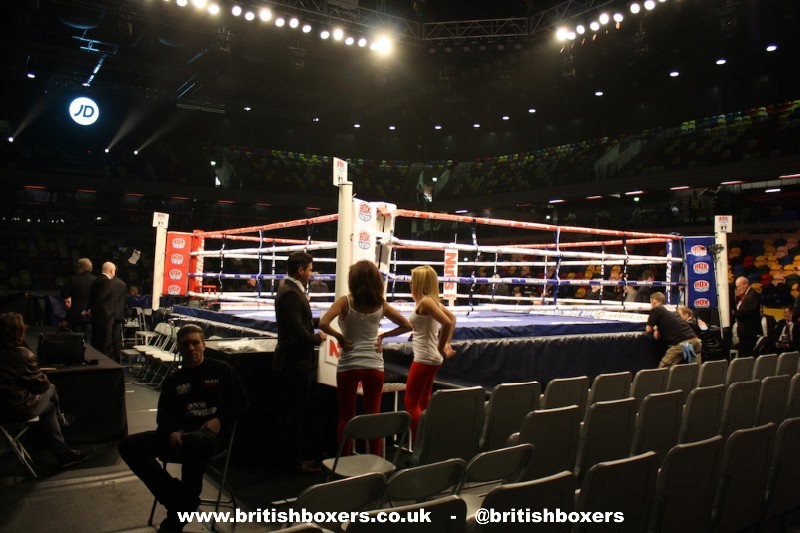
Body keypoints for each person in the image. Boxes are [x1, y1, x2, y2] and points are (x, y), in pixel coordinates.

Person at [119, 324, 248, 533]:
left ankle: (178, 514)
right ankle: (179, 499)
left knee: (196, 442)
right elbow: (164, 414)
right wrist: (170, 432)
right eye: (185, 344)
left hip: (210, 439)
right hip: (180, 438)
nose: (191, 348)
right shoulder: (173, 380)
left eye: (195, 343)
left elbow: (241, 403)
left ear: (204, 345)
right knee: (128, 445)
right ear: (178, 348)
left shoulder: (222, 370)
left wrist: (220, 420)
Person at [318, 260, 412, 455]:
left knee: (346, 417)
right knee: (373, 416)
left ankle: (343, 460)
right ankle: (374, 460)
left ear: (353, 280)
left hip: (349, 364)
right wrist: (383, 336)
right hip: (374, 365)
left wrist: (339, 337)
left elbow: (323, 323)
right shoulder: (380, 304)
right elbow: (407, 325)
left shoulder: (344, 302)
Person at [0, 312, 88, 468]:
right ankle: (62, 423)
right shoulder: (23, 355)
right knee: (51, 388)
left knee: (50, 407)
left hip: (3, 407)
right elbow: (42, 386)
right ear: (19, 331)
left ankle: (62, 449)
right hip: (17, 409)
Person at [272, 252, 327, 474]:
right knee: (295, 414)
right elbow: (296, 328)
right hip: (294, 362)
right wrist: (317, 337)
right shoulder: (291, 293)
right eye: (310, 269)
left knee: (294, 413)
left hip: (294, 361)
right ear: (301, 270)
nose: (312, 274)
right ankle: (293, 463)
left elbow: (299, 322)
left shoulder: (289, 290)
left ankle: (292, 459)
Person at [404, 265, 456, 441]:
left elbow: (447, 323)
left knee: (410, 403)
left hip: (425, 358)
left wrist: (442, 347)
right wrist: (445, 344)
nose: (410, 283)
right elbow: (452, 319)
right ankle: (428, 442)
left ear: (420, 282)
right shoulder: (431, 301)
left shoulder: (426, 301)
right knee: (423, 402)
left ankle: (420, 445)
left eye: (413, 279)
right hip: (431, 358)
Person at [645, 292, 702, 368]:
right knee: (695, 371)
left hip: (682, 344)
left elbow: (648, 329)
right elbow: (671, 321)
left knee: (662, 369)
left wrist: (654, 328)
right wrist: (657, 328)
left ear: (653, 301)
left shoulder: (656, 309)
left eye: (651, 302)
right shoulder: (671, 308)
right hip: (695, 341)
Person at [87, 262, 117, 355]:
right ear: (112, 271)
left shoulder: (96, 280)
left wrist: (90, 310)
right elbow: (100, 298)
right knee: (105, 345)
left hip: (96, 317)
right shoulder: (106, 282)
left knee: (96, 343)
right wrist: (91, 311)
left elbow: (92, 298)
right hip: (105, 318)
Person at [62, 258, 96, 341]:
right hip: (90, 314)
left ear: (80, 267)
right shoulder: (95, 280)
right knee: (88, 340)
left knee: (76, 339)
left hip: (76, 313)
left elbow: (65, 294)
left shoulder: (73, 279)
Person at [733, 276, 761, 357]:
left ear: (745, 284)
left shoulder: (753, 294)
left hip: (749, 330)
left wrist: (734, 313)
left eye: (739, 286)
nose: (738, 289)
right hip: (743, 329)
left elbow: (750, 312)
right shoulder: (743, 295)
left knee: (747, 353)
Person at [110, 272, 128, 363]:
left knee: (108, 339)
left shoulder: (108, 283)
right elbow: (125, 301)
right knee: (117, 339)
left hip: (108, 315)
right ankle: (118, 360)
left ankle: (109, 359)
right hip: (119, 315)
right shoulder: (122, 284)